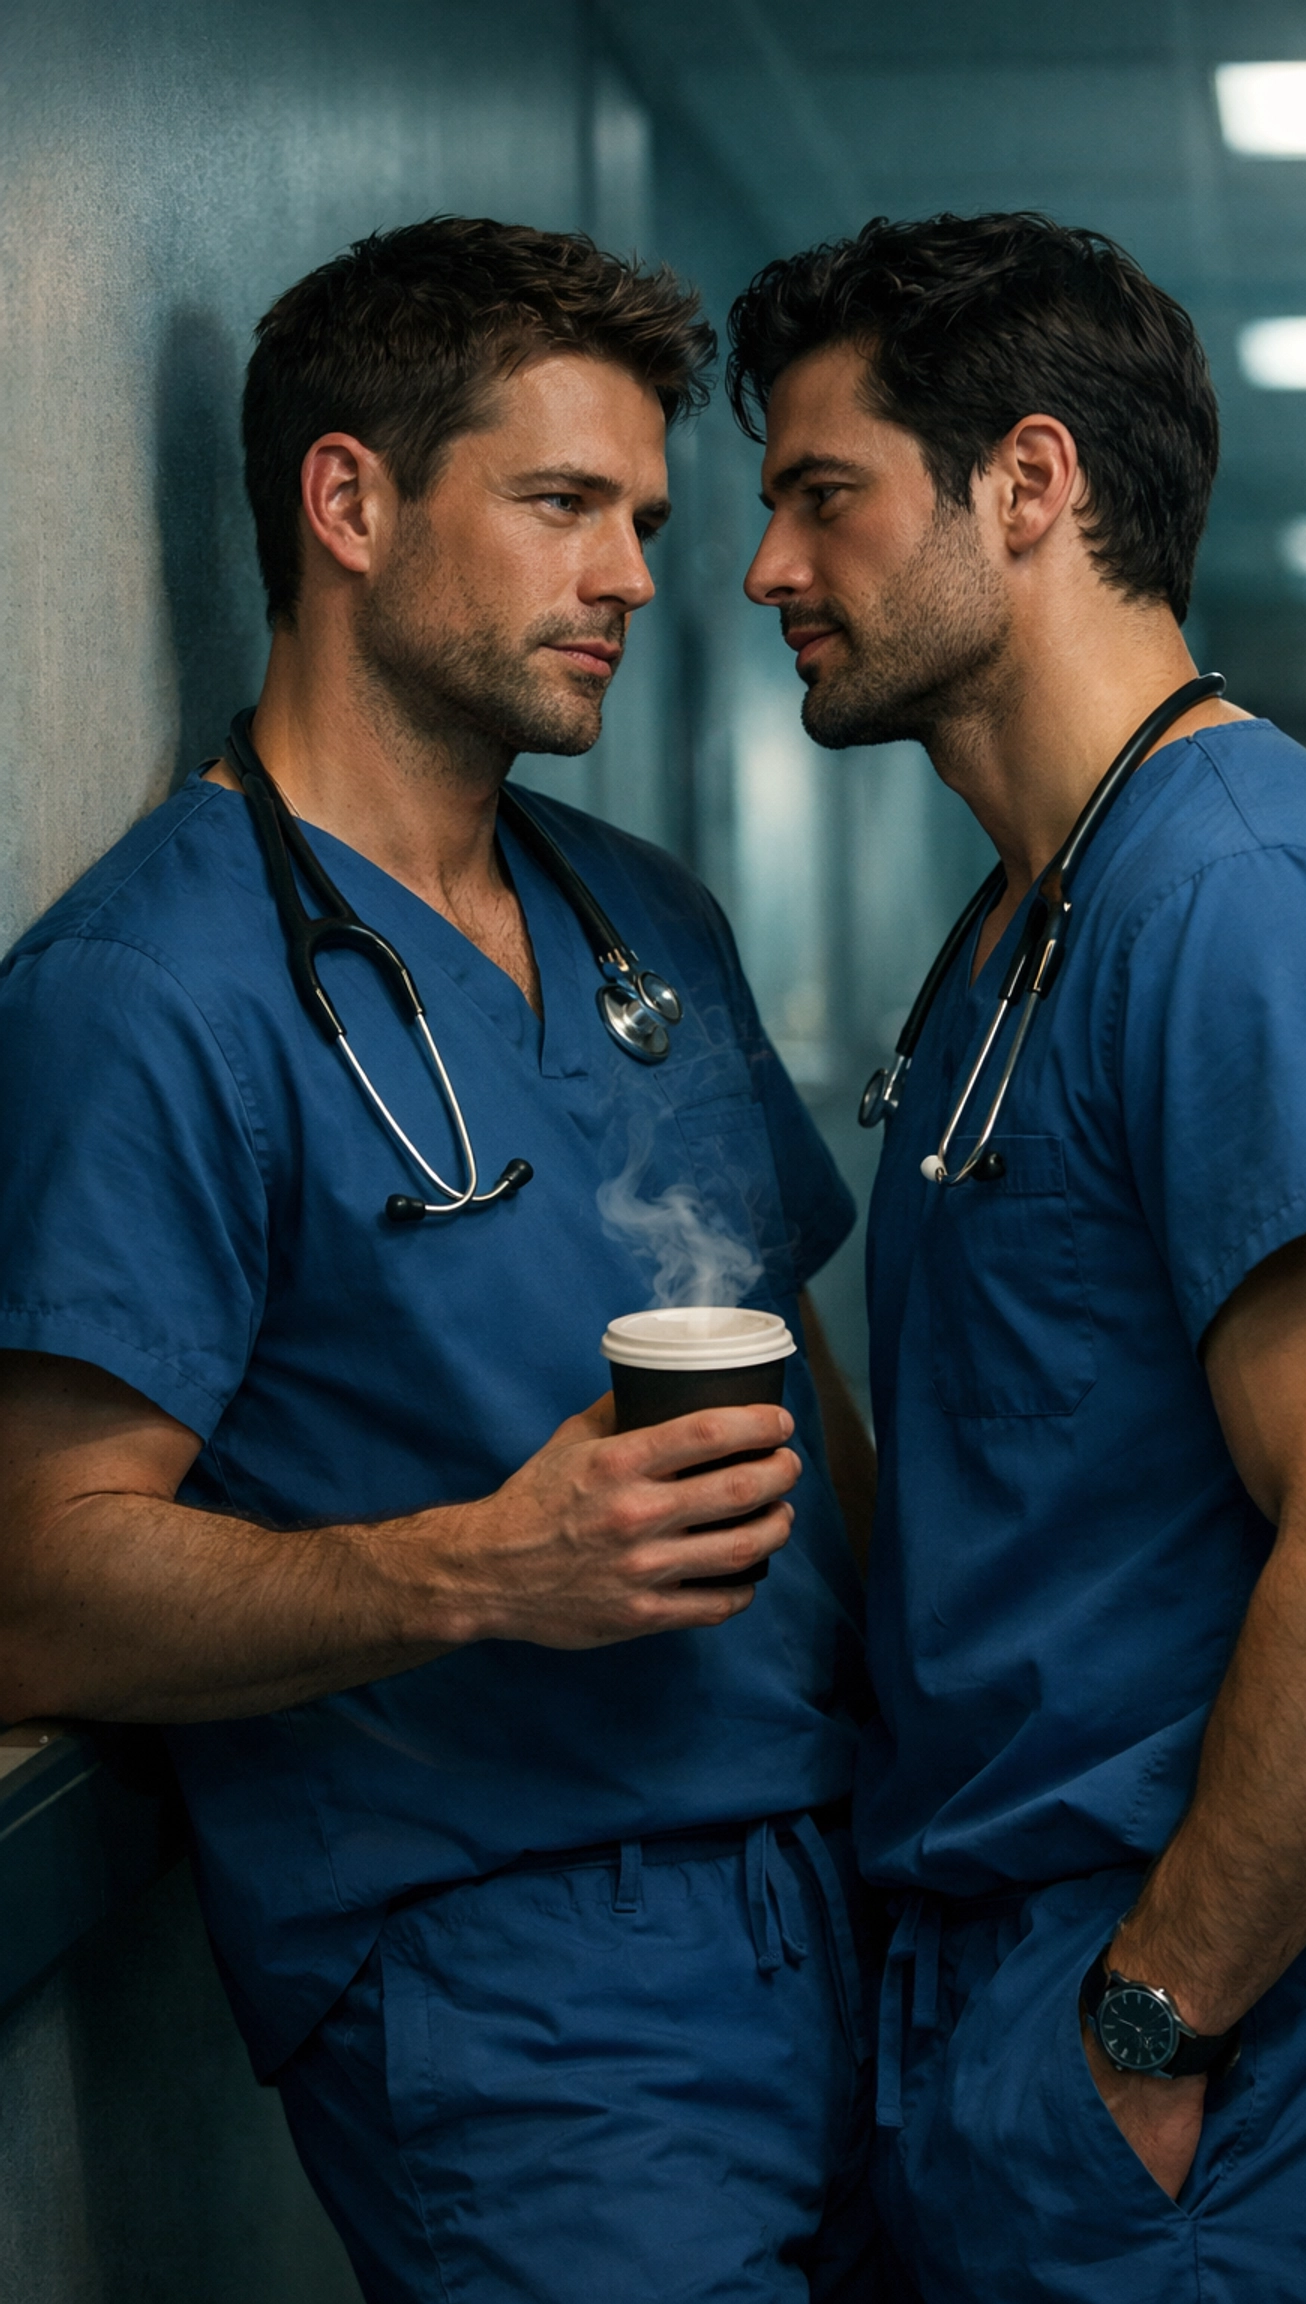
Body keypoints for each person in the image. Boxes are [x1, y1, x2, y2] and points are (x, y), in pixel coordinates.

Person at [0, 218, 883, 2304]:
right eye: (564, 505)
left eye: (647, 518)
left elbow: (801, 1386)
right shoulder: (150, 996)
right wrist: (488, 1567)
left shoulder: (643, 924)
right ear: (349, 504)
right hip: (520, 1997)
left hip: (839, 1897)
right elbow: (29, 1582)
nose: (639, 579)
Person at [729, 210, 1306, 2303]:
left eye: (822, 498)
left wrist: (1151, 2025)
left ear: (1028, 483)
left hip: (1211, 2030)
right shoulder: (1029, 926)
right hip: (998, 1983)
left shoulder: (1249, 905)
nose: (764, 573)